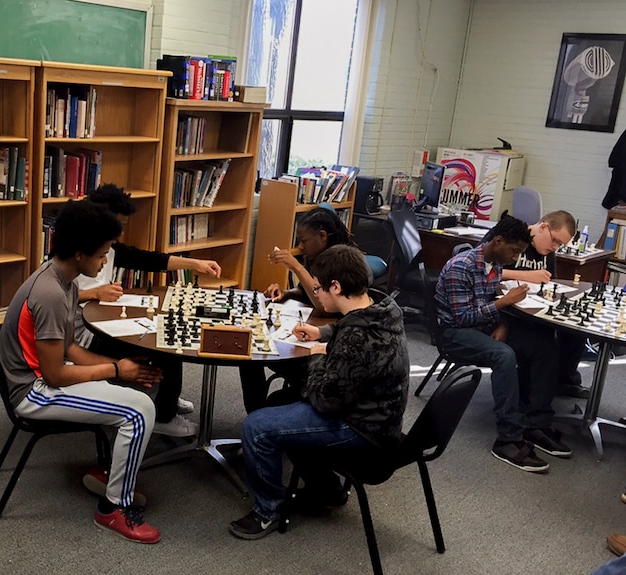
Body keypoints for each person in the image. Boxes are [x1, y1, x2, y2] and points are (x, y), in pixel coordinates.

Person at [0, 199, 164, 544]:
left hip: (43, 376)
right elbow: (55, 374)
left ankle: (113, 475)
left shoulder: (64, 280)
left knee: (141, 389)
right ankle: (112, 509)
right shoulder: (51, 293)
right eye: (102, 254)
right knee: (139, 410)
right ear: (79, 253)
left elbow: (69, 349)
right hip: (33, 391)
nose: (106, 261)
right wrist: (116, 369)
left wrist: (119, 371)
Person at [229, 245, 409, 540]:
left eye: (319, 288)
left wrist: (317, 354)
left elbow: (325, 400)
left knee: (256, 426)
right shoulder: (383, 309)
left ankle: (268, 510)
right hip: (381, 417)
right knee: (280, 401)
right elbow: (348, 330)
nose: (317, 294)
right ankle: (326, 489)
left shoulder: (357, 338)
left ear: (336, 287)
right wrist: (323, 334)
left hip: (362, 429)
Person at [74, 183, 221, 436]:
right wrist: (94, 293)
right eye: (117, 224)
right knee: (164, 341)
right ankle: (163, 416)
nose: (120, 233)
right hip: (83, 336)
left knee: (163, 329)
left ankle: (166, 399)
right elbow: (54, 294)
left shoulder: (109, 247)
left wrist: (195, 263)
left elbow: (149, 259)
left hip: (102, 323)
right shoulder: (76, 251)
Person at [435, 215, 565, 473]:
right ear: (497, 241)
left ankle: (534, 422)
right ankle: (507, 438)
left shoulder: (493, 264)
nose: (516, 259)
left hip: (483, 326)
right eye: (514, 251)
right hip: (454, 333)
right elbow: (462, 319)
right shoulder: (461, 266)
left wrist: (502, 324)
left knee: (542, 346)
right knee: (504, 356)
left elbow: (486, 305)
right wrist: (503, 304)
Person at [239, 207, 356, 413]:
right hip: (311, 333)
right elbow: (307, 290)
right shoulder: (317, 257)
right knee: (250, 353)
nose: (300, 247)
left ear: (322, 236)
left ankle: (260, 417)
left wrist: (296, 267)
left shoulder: (341, 263)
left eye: (304, 241)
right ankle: (256, 417)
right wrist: (287, 293)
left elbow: (323, 305)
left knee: (253, 356)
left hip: (324, 349)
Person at [496, 210, 587, 399]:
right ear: (543, 227)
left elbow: (548, 282)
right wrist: (526, 276)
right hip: (505, 311)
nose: (555, 247)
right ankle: (530, 396)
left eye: (560, 245)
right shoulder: (513, 237)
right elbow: (484, 270)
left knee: (575, 333)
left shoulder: (547, 252)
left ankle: (562, 382)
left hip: (534, 308)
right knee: (543, 344)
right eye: (554, 241)